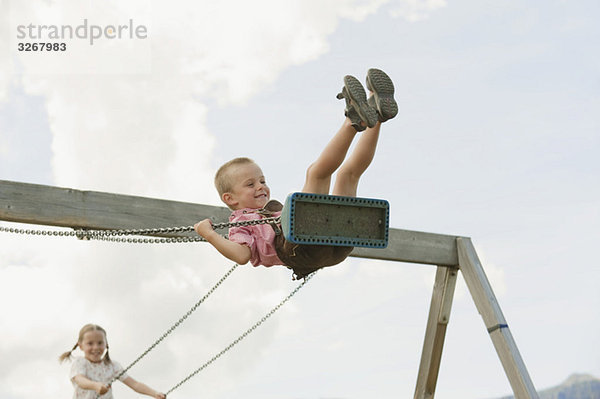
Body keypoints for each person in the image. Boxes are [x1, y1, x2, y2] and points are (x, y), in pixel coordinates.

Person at [195, 68, 398, 279]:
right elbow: (242, 256)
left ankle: (376, 115)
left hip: (336, 243)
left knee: (349, 175)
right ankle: (354, 121)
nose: (260, 187)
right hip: (302, 247)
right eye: (250, 184)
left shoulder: (267, 213)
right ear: (230, 198)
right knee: (316, 174)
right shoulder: (240, 222)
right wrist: (209, 235)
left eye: (262, 180)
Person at [59, 324, 166, 399]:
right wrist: (95, 385)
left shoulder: (112, 366)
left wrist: (154, 393)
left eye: (100, 343)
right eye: (90, 343)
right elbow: (80, 380)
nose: (96, 347)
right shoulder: (80, 362)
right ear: (80, 345)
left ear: (106, 344)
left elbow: (135, 384)